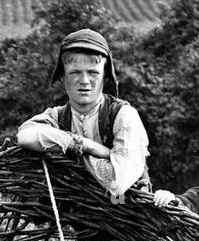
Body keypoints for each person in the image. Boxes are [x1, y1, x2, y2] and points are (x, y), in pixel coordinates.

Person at [16, 28, 151, 197]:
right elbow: (25, 137)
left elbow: (117, 183)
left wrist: (75, 153)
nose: (84, 81)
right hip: (77, 210)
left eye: (93, 72)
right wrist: (88, 147)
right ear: (63, 78)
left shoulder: (123, 115)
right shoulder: (57, 116)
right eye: (75, 72)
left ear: (105, 77)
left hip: (123, 210)